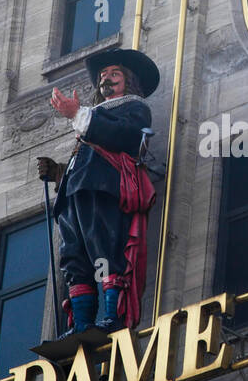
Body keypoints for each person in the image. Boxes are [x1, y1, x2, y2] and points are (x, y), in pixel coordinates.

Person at [37, 48, 159, 335]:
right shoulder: (92, 115)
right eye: (103, 75)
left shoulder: (135, 108)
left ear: (129, 80)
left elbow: (123, 137)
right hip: (75, 192)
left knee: (103, 248)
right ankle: (82, 322)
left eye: (114, 73)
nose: (107, 78)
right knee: (74, 255)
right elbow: (86, 159)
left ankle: (113, 316)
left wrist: (78, 114)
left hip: (103, 189)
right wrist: (57, 173)